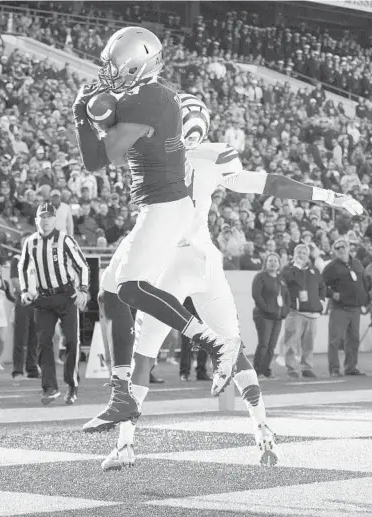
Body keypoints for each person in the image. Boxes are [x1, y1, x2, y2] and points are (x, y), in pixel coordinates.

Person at [97, 94, 364, 470]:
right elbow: (270, 183)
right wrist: (327, 195)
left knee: (143, 354)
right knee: (232, 346)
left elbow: (112, 145)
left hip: (167, 262)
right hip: (205, 260)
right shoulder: (215, 155)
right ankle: (264, 432)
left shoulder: (150, 153)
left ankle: (126, 443)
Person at [74, 28, 246, 433]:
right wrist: (98, 115)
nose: (110, 75)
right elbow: (107, 145)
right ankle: (122, 395)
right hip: (159, 204)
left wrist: (85, 118)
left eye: (118, 68)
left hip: (168, 206)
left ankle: (215, 343)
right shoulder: (150, 91)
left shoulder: (147, 97)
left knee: (130, 288)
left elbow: (101, 159)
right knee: (109, 293)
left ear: (140, 66)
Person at [18, 203, 89, 405]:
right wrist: (24, 290)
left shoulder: (64, 239)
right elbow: (22, 267)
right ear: (36, 220)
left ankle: (72, 385)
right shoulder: (30, 242)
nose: (46, 220)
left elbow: (82, 265)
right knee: (44, 343)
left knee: (71, 341)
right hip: (43, 298)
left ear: (55, 219)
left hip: (66, 295)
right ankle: (49, 387)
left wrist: (83, 289)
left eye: (50, 216)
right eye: (43, 216)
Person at [322, 238, 370, 377]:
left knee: (353, 340)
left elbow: (363, 283)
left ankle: (351, 367)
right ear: (334, 251)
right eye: (337, 248)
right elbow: (320, 285)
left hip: (355, 308)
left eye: (343, 246)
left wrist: (365, 299)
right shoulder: (331, 267)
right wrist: (331, 294)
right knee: (335, 340)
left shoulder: (357, 263)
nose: (341, 249)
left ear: (349, 247)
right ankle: (334, 368)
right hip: (339, 308)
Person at [281, 244, 326, 379]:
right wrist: (296, 267)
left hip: (312, 313)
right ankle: (292, 368)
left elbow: (322, 286)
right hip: (295, 312)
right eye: (298, 252)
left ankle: (306, 367)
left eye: (303, 253)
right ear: (294, 255)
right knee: (291, 341)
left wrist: (321, 301)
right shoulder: (288, 269)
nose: (300, 255)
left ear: (308, 256)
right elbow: (285, 281)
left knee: (309, 343)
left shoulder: (314, 271)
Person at [252, 253, 290, 379]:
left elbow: (286, 297)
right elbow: (257, 295)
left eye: (275, 261)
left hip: (277, 317)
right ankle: (257, 370)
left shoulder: (281, 279)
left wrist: (285, 311)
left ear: (279, 264)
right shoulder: (260, 277)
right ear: (265, 263)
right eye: (270, 261)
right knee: (263, 344)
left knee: (271, 346)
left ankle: (266, 369)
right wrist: (267, 309)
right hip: (263, 316)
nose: (273, 263)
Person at [11, 233, 39, 380]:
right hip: (23, 302)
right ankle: (17, 370)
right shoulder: (17, 259)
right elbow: (15, 280)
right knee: (20, 337)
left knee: (34, 338)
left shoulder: (38, 260)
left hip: (37, 302)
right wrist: (26, 294)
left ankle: (32, 368)